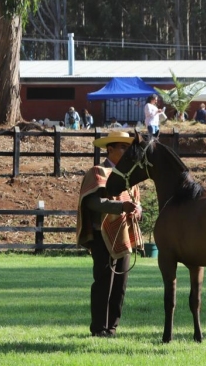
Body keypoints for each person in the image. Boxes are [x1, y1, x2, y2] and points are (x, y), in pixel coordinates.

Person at [76, 131, 143, 338]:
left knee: (120, 286)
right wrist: (121, 206)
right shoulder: (98, 171)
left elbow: (136, 203)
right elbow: (92, 203)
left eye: (128, 148)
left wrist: (138, 209)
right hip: (101, 236)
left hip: (123, 238)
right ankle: (99, 329)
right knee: (104, 283)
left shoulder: (129, 177)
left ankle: (112, 328)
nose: (125, 151)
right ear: (109, 149)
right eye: (122, 147)